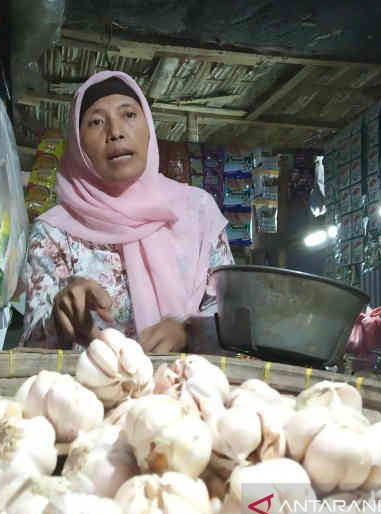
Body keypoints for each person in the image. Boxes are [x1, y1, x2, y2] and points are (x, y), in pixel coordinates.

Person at [20, 70, 234, 353]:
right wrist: (60, 319)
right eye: (96, 122)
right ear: (78, 144)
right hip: (92, 392)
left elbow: (232, 321)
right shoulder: (54, 232)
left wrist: (187, 332)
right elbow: (34, 348)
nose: (116, 132)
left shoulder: (196, 212)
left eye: (129, 115)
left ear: (148, 128)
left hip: (185, 390)